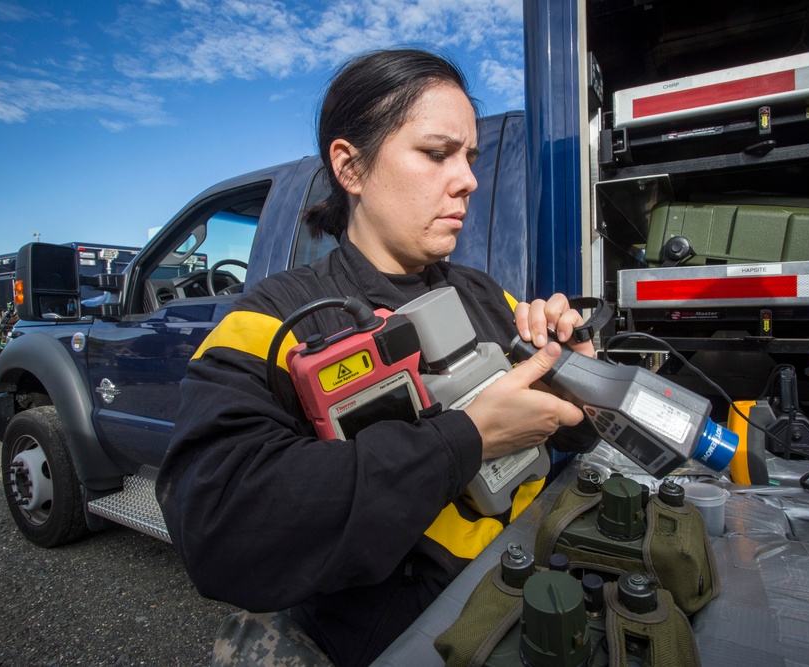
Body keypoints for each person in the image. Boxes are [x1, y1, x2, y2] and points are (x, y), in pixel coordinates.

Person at [156, 48, 597, 667]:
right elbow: (218, 528)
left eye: (469, 158)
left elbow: (570, 435)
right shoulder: (270, 324)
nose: (468, 179)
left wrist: (577, 377)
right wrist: (463, 440)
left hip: (536, 601)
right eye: (437, 153)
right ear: (351, 167)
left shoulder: (486, 296)